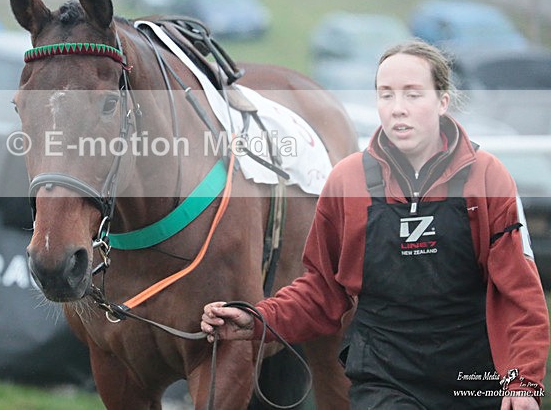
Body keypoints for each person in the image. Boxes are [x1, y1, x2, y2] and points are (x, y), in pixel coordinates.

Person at [201, 40, 549, 409]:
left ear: (443, 101)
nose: (398, 109)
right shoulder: (346, 183)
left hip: (474, 380)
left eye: (413, 95)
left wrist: (523, 382)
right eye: (386, 95)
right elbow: (322, 292)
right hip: (385, 379)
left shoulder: (488, 178)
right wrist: (256, 319)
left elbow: (519, 293)